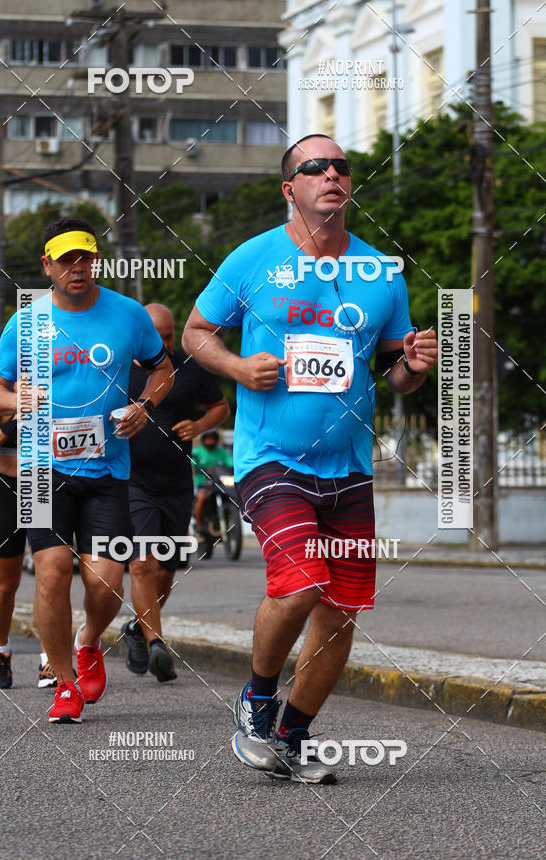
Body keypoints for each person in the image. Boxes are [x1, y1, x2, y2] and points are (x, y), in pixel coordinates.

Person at [183, 134, 438, 783]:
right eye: (313, 167)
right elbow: (195, 332)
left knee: (341, 610)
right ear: (289, 188)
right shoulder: (252, 259)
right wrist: (238, 365)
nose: (331, 174)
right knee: (299, 586)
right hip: (272, 457)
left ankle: (291, 736)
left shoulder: (381, 271)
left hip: (350, 466)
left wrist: (412, 364)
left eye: (340, 166)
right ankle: (257, 699)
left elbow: (393, 371)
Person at [0, 217, 173, 723]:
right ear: (47, 265)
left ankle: (88, 641)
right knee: (51, 573)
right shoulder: (26, 322)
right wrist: (17, 396)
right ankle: (64, 684)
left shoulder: (129, 315)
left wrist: (145, 408)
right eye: (66, 260)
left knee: (105, 582)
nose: (78, 268)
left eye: (85, 257)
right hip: (39, 471)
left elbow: (163, 368)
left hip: (108, 469)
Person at [120, 303, 230, 682]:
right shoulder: (116, 366)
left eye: (169, 336)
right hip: (133, 482)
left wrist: (199, 425)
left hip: (177, 482)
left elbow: (221, 406)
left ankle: (138, 629)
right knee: (141, 563)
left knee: (166, 570)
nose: (165, 343)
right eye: (157, 336)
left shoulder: (190, 366)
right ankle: (156, 645)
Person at [0, 403, 56, 689]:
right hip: (5, 489)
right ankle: (1, 650)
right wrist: (9, 427)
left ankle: (49, 658)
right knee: (7, 584)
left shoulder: (60, 388)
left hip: (42, 488)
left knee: (49, 578)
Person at [192, 429, 234, 537]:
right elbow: (191, 466)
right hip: (204, 485)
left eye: (212, 438)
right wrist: (196, 470)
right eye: (208, 439)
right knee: (201, 498)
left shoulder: (223, 452)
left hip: (220, 484)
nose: (210, 441)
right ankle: (199, 527)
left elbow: (230, 464)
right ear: (203, 440)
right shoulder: (197, 452)